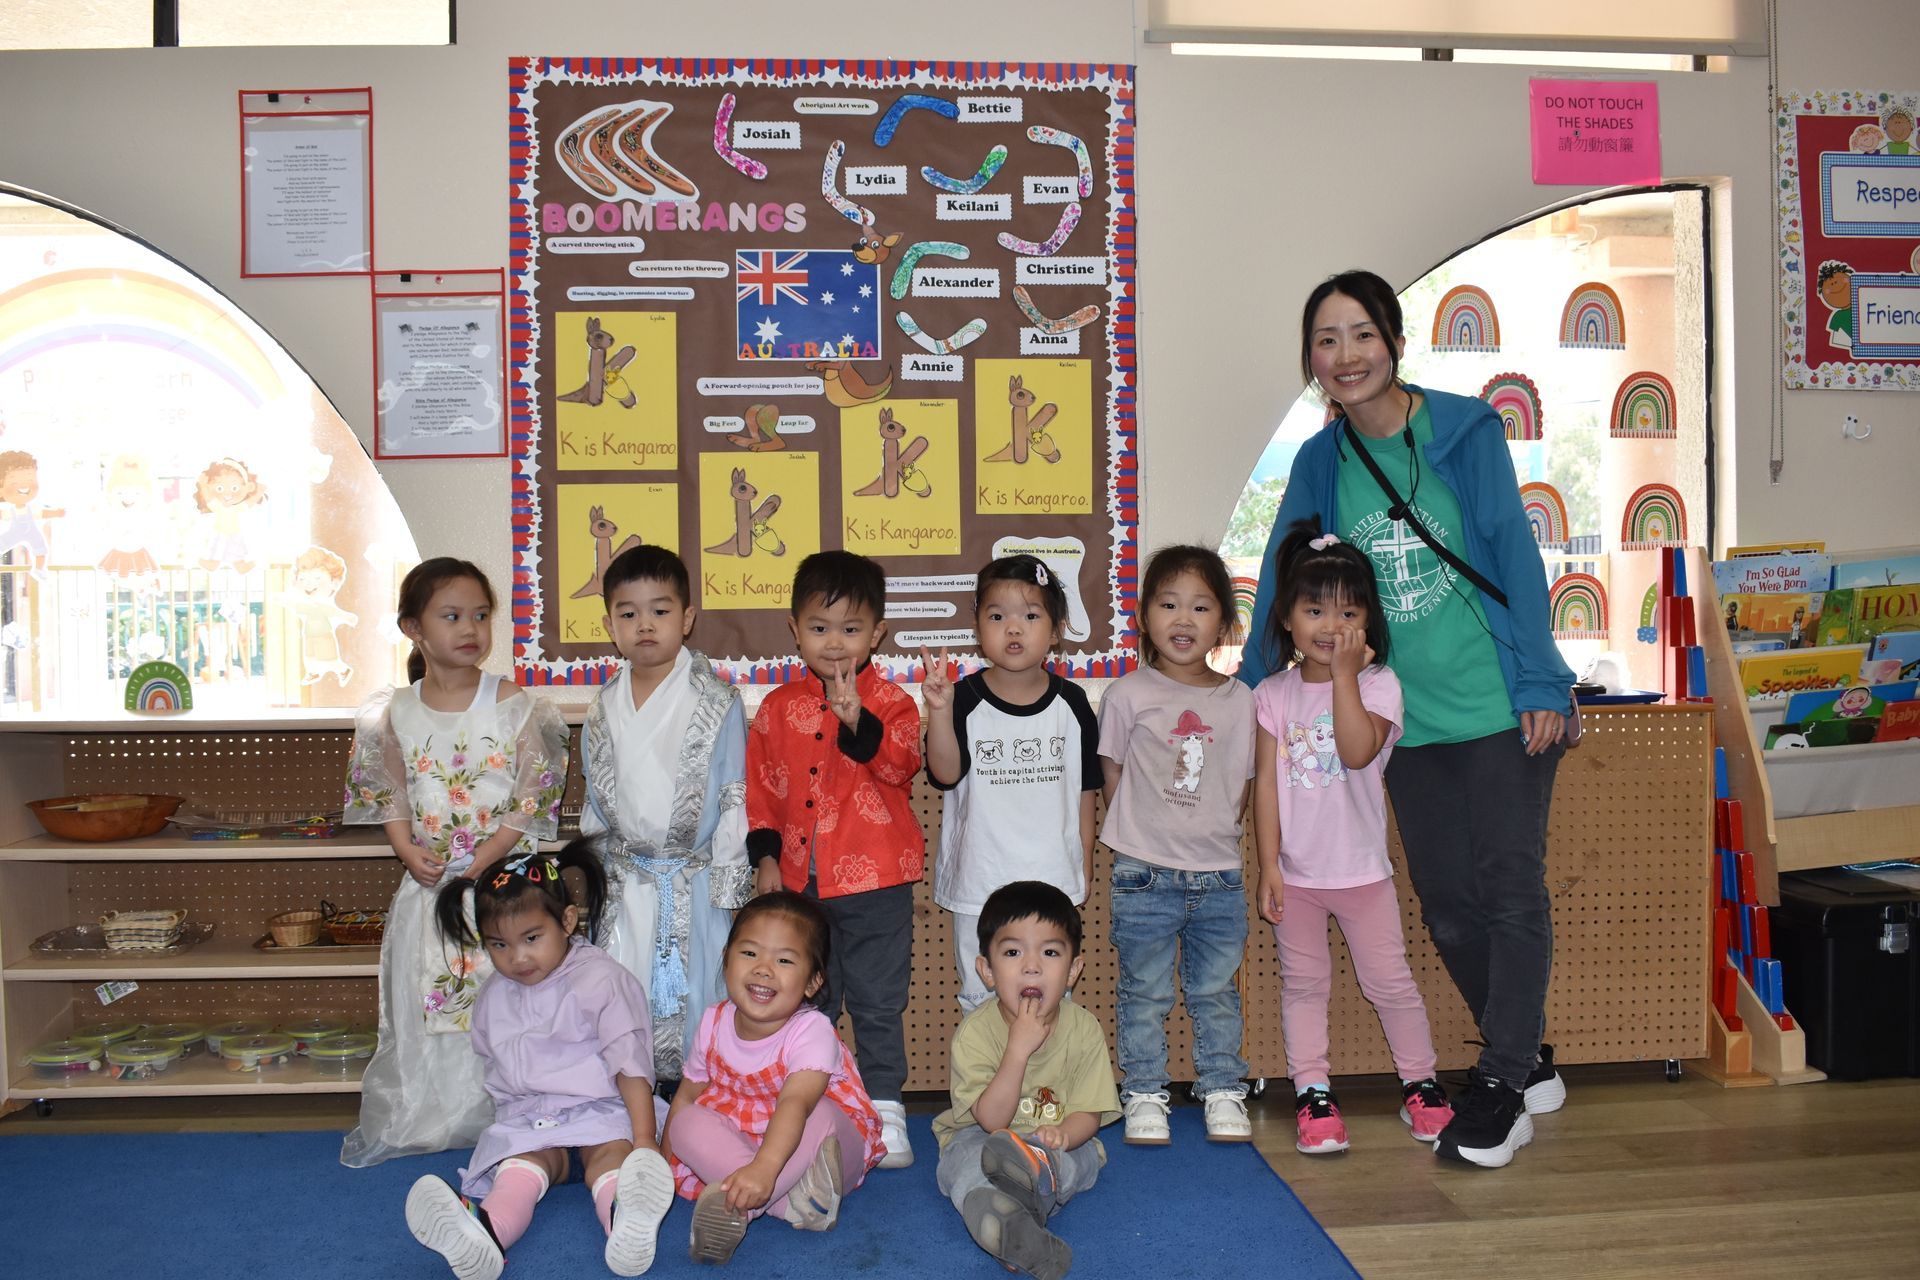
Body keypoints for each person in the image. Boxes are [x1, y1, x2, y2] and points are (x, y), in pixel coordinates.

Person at [1241, 269, 1574, 1169]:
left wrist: (1542, 680)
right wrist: (1246, 692)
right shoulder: (1320, 460)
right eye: (1325, 341)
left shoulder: (1464, 430)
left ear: (1393, 339)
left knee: (1509, 889)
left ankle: (1501, 1080)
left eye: (1359, 335)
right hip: (1400, 725)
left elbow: (1511, 549)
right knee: (1451, 909)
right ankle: (1527, 1054)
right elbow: (1282, 577)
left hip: (1499, 705)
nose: (1343, 356)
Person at [339, 557, 572, 1167]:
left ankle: (513, 1112)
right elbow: (386, 789)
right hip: (430, 886)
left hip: (501, 891)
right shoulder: (395, 709)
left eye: (480, 615)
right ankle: (436, 1114)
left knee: (507, 996)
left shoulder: (516, 703)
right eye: (452, 616)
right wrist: (403, 845)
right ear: (413, 628)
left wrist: (488, 857)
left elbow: (533, 794)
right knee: (431, 997)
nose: (470, 628)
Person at [1250, 520, 1453, 1155]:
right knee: (1304, 985)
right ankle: (1313, 1092)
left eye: (1346, 610)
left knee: (1390, 982)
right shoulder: (1272, 694)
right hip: (1298, 877)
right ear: (1287, 617)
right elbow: (1264, 788)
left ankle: (1420, 1084)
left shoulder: (1379, 685)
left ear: (1368, 621)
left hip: (1363, 872)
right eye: (1314, 609)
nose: (1329, 624)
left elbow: (1359, 751)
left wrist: (1343, 678)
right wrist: (1269, 867)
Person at [404, 840, 675, 1279]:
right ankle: (484, 1232)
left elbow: (630, 1065)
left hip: (604, 1115)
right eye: (499, 945)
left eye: (532, 938)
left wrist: (645, 1141)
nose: (518, 958)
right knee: (520, 1167)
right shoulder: (494, 995)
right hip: (534, 1123)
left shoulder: (600, 979)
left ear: (567, 921)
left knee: (611, 1160)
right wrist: (516, 1127)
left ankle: (626, 1216)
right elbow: (502, 1075)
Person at [745, 550, 924, 1167]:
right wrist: (765, 861)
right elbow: (763, 791)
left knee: (877, 1002)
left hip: (877, 882)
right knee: (808, 1005)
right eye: (819, 628)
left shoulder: (894, 703)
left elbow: (902, 767)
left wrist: (857, 724)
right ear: (794, 629)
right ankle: (814, 1111)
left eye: (851, 630)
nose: (835, 643)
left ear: (876, 633)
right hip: (799, 889)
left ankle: (887, 1112)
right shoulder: (776, 707)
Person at [1097, 544, 1257, 1145]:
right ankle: (1144, 1094)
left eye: (1200, 606)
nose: (1183, 620)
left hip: (1220, 875)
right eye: (1168, 604)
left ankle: (1221, 1089)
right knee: (1145, 991)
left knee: (1215, 991)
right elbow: (1113, 773)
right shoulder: (1127, 695)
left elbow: (1241, 784)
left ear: (1224, 622)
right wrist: (1143, 834)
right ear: (1144, 617)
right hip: (1143, 873)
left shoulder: (1241, 702)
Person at [580, 544, 753, 1081]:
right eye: (628, 614)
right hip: (627, 877)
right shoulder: (602, 705)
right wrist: (592, 874)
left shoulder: (716, 701)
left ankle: (694, 1100)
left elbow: (733, 795)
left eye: (660, 610)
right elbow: (595, 798)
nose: (645, 625)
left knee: (697, 988)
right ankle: (629, 1106)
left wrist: (729, 893)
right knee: (621, 989)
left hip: (691, 880)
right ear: (610, 624)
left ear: (687, 618)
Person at [663, 891, 884, 1264]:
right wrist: (662, 1164)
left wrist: (765, 1168)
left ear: (813, 982)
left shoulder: (810, 1029)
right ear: (726, 960)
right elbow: (687, 1094)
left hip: (820, 1152)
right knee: (684, 1120)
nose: (764, 968)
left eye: (784, 960)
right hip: (747, 1151)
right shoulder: (713, 1021)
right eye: (749, 953)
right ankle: (793, 1206)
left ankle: (743, 1208)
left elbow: (795, 1103)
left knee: (821, 1114)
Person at [923, 554, 1101, 1012]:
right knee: (983, 1000)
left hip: (1052, 880)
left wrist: (1082, 862)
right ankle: (987, 1086)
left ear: (1056, 629)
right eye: (997, 616)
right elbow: (944, 774)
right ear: (978, 627)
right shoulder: (961, 697)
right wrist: (940, 714)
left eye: (1031, 615)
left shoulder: (1073, 704)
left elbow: (1085, 792)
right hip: (978, 882)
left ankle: (1046, 1087)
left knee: (1050, 999)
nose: (1014, 629)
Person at [933, 881, 1119, 1280]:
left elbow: (1088, 1112)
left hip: (1056, 1142)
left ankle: (1024, 1201)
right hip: (980, 1136)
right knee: (964, 1164)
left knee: (1083, 1159)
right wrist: (1017, 1051)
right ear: (986, 970)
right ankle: (1010, 1220)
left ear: (1073, 970)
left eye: (1050, 952)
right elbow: (991, 1121)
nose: (1031, 965)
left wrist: (1064, 1137)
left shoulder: (1084, 1029)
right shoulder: (976, 1033)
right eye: (1013, 952)